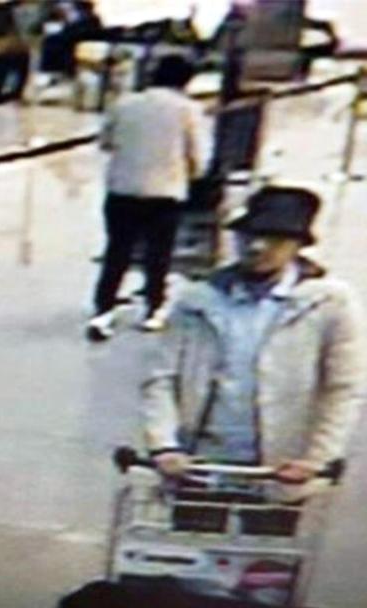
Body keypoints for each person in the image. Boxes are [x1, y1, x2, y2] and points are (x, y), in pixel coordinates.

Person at [142, 186, 366, 486]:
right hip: (198, 463)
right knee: (194, 532)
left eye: (275, 239)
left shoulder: (329, 304)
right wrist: (164, 445)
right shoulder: (197, 301)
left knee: (267, 531)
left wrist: (317, 457)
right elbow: (161, 377)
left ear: (298, 245)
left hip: (282, 469)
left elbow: (344, 388)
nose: (258, 247)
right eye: (249, 236)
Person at [87, 54, 208, 341]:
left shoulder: (125, 103)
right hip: (165, 193)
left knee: (117, 252)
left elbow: (105, 142)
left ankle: (103, 309)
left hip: (122, 189)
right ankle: (153, 309)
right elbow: (198, 159)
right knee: (158, 254)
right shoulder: (188, 110)